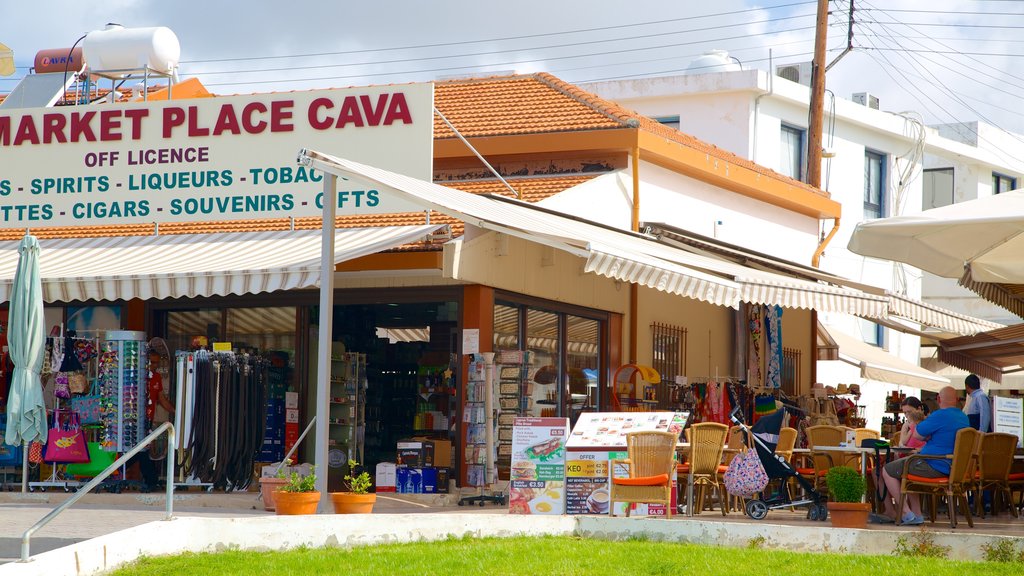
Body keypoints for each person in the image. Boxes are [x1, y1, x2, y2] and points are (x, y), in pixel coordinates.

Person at [871, 386, 969, 525]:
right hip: (952, 466)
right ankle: (916, 514)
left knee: (887, 470)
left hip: (935, 465)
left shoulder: (939, 415)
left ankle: (905, 512)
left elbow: (918, 434)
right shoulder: (963, 417)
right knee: (908, 468)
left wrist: (928, 436)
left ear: (939, 399)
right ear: (957, 400)